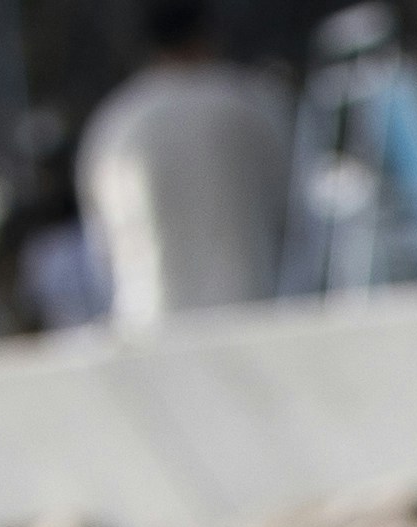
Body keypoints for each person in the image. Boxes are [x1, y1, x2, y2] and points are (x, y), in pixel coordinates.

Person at [77, 3, 295, 333]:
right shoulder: (249, 103)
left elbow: (100, 245)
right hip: (249, 313)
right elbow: (291, 214)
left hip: (148, 324)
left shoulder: (115, 121)